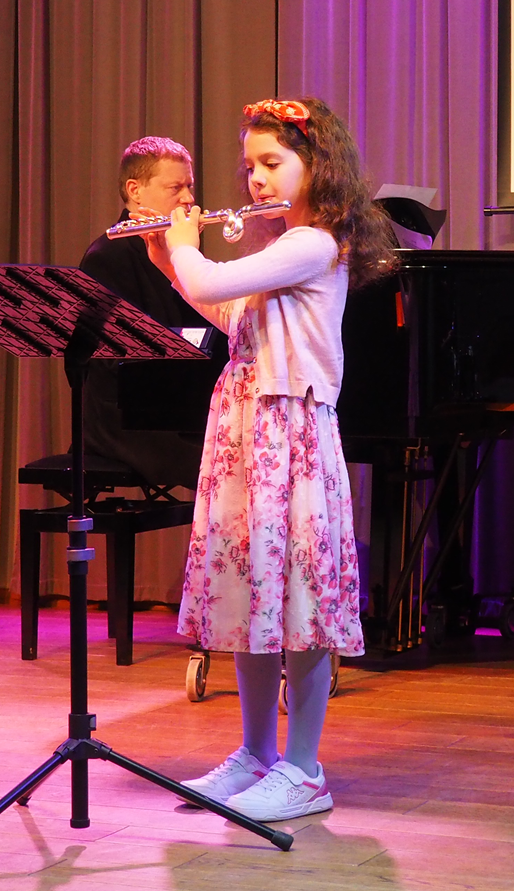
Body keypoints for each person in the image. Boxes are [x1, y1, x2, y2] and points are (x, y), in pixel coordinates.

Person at [142, 97, 398, 823]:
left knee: (299, 602)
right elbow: (229, 312)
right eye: (249, 165)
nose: (255, 178)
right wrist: (166, 260)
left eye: (271, 163)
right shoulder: (279, 248)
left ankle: (304, 769)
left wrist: (184, 245)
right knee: (251, 594)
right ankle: (256, 754)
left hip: (293, 433)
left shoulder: (313, 244)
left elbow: (209, 282)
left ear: (316, 166)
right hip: (246, 427)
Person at [79, 136, 222, 492]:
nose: (188, 198)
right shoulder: (108, 256)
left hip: (174, 404)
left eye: (189, 186)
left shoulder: (180, 247)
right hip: (126, 419)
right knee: (228, 466)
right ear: (135, 191)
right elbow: (116, 361)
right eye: (175, 187)